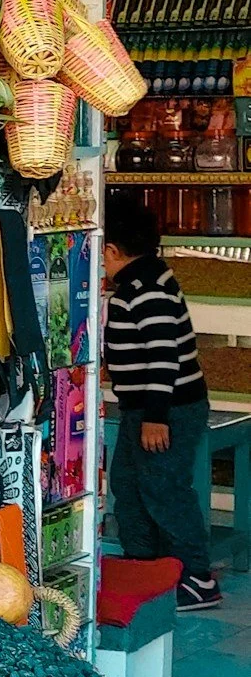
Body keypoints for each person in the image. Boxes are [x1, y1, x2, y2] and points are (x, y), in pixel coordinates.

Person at [103, 191, 218, 610]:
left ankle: (195, 576)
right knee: (130, 487)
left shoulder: (146, 288)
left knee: (164, 490)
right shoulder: (140, 281)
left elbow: (164, 356)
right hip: (145, 410)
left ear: (111, 249)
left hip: (167, 410)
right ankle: (145, 568)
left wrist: (156, 418)